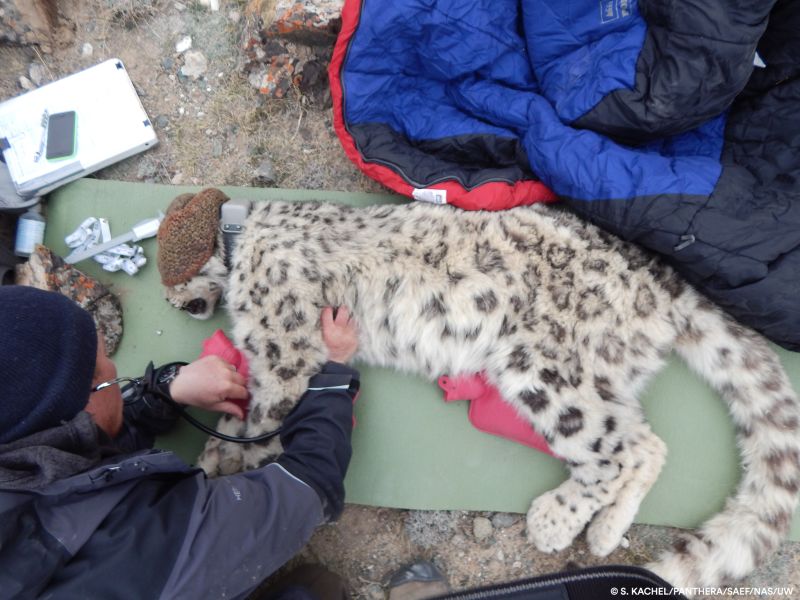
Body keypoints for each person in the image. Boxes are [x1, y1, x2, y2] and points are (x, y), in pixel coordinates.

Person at [0, 285, 360, 599]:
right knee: (317, 586)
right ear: (89, 401)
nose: (113, 368)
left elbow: (79, 453)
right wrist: (332, 374)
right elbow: (309, 485)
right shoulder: (153, 543)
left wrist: (165, 391)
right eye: (104, 361)